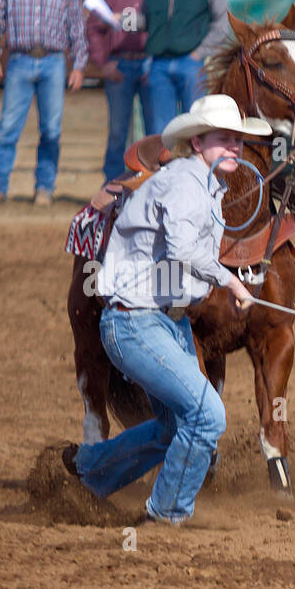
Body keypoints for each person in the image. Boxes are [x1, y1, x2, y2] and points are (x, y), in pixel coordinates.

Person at [59, 95, 263, 525]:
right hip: (135, 323)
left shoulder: (205, 186)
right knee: (208, 415)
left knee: (175, 426)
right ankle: (166, 512)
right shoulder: (186, 182)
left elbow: (182, 262)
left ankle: (88, 470)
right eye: (224, 139)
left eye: (239, 141)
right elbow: (184, 250)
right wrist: (229, 280)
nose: (235, 148)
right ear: (198, 141)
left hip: (162, 322)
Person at [0, 0, 88, 207]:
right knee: (8, 128)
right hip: (19, 59)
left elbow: (77, 27)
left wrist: (78, 65)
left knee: (51, 130)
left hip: (54, 61)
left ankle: (44, 188)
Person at [142, 0, 230, 136]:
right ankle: (166, 161)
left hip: (191, 64)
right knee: (160, 131)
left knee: (195, 127)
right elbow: (146, 21)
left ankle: (194, 161)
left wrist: (199, 53)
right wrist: (122, 20)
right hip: (158, 64)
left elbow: (223, 22)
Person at [87, 0, 148, 186]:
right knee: (117, 130)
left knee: (155, 129)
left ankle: (153, 180)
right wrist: (103, 63)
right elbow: (94, 28)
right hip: (119, 65)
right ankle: (112, 184)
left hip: (150, 63)